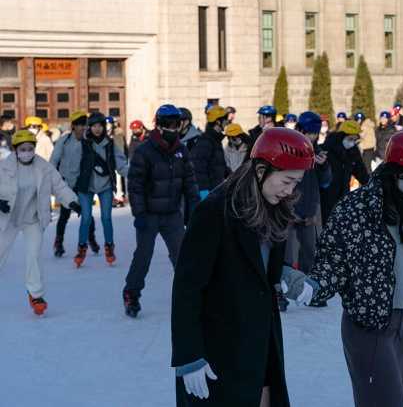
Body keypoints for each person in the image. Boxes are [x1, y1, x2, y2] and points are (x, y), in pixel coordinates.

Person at [309, 130, 403, 407]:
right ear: (395, 172)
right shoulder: (358, 209)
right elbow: (332, 261)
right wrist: (313, 287)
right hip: (367, 323)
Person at [171, 128, 317, 407]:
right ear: (261, 169)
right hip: (220, 344)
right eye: (287, 181)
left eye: (296, 183)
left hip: (259, 338)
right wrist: (188, 355)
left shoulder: (274, 205)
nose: (291, 190)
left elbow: (264, 266)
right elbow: (187, 287)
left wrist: (287, 276)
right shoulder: (215, 210)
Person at [123, 105, 200, 318]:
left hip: (172, 214)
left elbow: (190, 183)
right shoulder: (144, 150)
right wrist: (139, 214)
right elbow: (135, 185)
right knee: (144, 255)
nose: (172, 128)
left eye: (175, 124)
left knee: (182, 255)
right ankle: (132, 292)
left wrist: (194, 211)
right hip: (149, 214)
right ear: (159, 124)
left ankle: (189, 295)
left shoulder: (180, 151)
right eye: (167, 124)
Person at [0, 130, 80, 315]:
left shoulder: (44, 167)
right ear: (15, 150)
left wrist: (72, 201)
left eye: (30, 149)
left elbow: (59, 186)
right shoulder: (4, 167)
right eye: (23, 149)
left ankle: (36, 294)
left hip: (33, 218)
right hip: (9, 219)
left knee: (34, 256)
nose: (27, 152)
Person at [74, 112, 129, 267]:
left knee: (106, 218)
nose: (97, 129)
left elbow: (121, 165)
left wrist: (137, 173)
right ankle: (81, 247)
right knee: (85, 218)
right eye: (94, 126)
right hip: (86, 186)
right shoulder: (82, 144)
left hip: (105, 186)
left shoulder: (111, 144)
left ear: (104, 127)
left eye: (100, 126)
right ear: (89, 127)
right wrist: (69, 182)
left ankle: (109, 247)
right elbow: (74, 165)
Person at [50, 110, 98, 257]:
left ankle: (91, 239)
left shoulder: (88, 143)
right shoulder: (63, 141)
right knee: (64, 216)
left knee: (87, 214)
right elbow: (53, 161)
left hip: (81, 185)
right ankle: (58, 243)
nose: (83, 128)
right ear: (73, 126)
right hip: (66, 185)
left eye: (85, 125)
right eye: (80, 125)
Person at [289, 112, 331, 279]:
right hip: (289, 205)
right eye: (309, 133)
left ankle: (310, 284)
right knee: (288, 251)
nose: (311, 137)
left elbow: (326, 182)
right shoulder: (289, 149)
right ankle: (284, 286)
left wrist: (323, 166)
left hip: (310, 206)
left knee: (310, 249)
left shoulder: (318, 152)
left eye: (315, 134)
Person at [320, 120, 369, 224]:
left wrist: (371, 184)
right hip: (326, 198)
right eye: (350, 139)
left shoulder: (353, 152)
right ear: (341, 136)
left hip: (343, 196)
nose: (352, 143)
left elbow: (361, 173)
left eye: (355, 140)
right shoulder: (327, 149)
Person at [189, 105, 229, 200]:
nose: (227, 122)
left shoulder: (215, 140)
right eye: (225, 119)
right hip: (210, 193)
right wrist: (203, 191)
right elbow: (198, 168)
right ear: (218, 122)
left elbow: (219, 165)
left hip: (217, 190)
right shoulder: (206, 142)